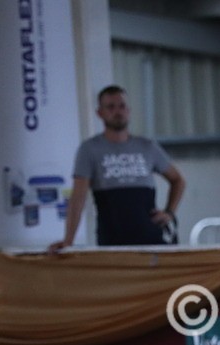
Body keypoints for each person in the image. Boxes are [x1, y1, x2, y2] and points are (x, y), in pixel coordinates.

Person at [49, 86, 185, 251]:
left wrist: (169, 212)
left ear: (129, 110)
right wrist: (68, 241)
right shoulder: (90, 149)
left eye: (122, 106)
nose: (117, 112)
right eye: (111, 107)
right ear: (100, 113)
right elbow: (78, 197)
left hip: (150, 239)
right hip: (112, 241)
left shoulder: (147, 147)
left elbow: (177, 180)